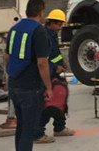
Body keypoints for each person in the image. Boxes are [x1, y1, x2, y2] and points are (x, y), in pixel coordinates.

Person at [6, 0, 53, 150]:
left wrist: (10, 78)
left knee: (21, 127)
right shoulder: (38, 31)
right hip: (31, 88)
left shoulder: (14, 29)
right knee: (29, 130)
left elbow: (7, 57)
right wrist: (49, 87)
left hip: (15, 85)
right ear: (41, 12)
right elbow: (42, 62)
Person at [35, 9, 74, 142]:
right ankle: (38, 134)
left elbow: (54, 54)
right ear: (51, 23)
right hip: (47, 76)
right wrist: (54, 67)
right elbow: (42, 60)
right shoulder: (44, 36)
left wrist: (61, 62)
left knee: (60, 100)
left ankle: (59, 128)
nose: (60, 28)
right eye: (59, 24)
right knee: (48, 105)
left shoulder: (51, 36)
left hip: (55, 74)